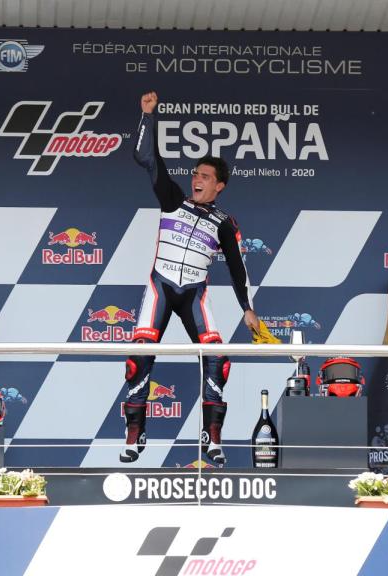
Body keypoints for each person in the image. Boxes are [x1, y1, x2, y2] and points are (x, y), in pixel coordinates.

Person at [120, 91, 260, 465]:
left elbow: (236, 267)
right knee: (138, 355)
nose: (196, 179)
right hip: (161, 286)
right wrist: (148, 117)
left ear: (220, 186)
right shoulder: (172, 198)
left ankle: (211, 438)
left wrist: (247, 308)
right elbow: (147, 158)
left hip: (195, 293)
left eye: (205, 176)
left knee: (218, 357)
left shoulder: (224, 223)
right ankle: (135, 434)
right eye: (195, 173)